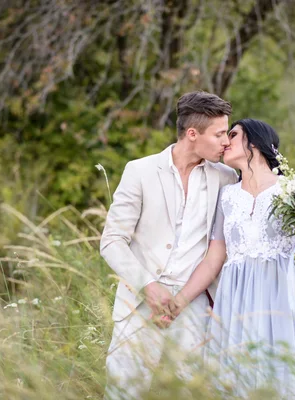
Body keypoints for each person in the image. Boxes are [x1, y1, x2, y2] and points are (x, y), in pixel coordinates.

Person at [171, 119, 295, 399]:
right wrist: (179, 301)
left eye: (233, 135)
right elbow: (214, 258)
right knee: (240, 376)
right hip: (236, 300)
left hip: (283, 296)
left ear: (255, 143)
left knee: (283, 373)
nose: (226, 141)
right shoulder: (227, 196)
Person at [100, 91, 238, 399]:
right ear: (192, 134)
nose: (226, 142)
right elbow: (112, 241)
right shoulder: (140, 171)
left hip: (194, 308)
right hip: (138, 304)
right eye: (218, 134)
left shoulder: (227, 177)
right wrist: (148, 285)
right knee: (123, 392)